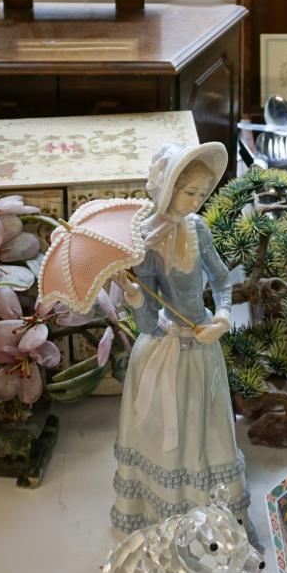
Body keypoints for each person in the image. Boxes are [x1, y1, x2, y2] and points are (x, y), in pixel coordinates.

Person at [110, 141, 258, 547]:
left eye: (201, 194)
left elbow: (222, 280)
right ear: (168, 189)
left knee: (209, 429)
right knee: (170, 432)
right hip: (168, 352)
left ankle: (214, 516)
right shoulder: (146, 242)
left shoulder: (199, 229)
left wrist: (224, 317)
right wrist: (138, 298)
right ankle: (171, 517)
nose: (196, 201)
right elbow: (149, 328)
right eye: (189, 192)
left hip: (203, 344)